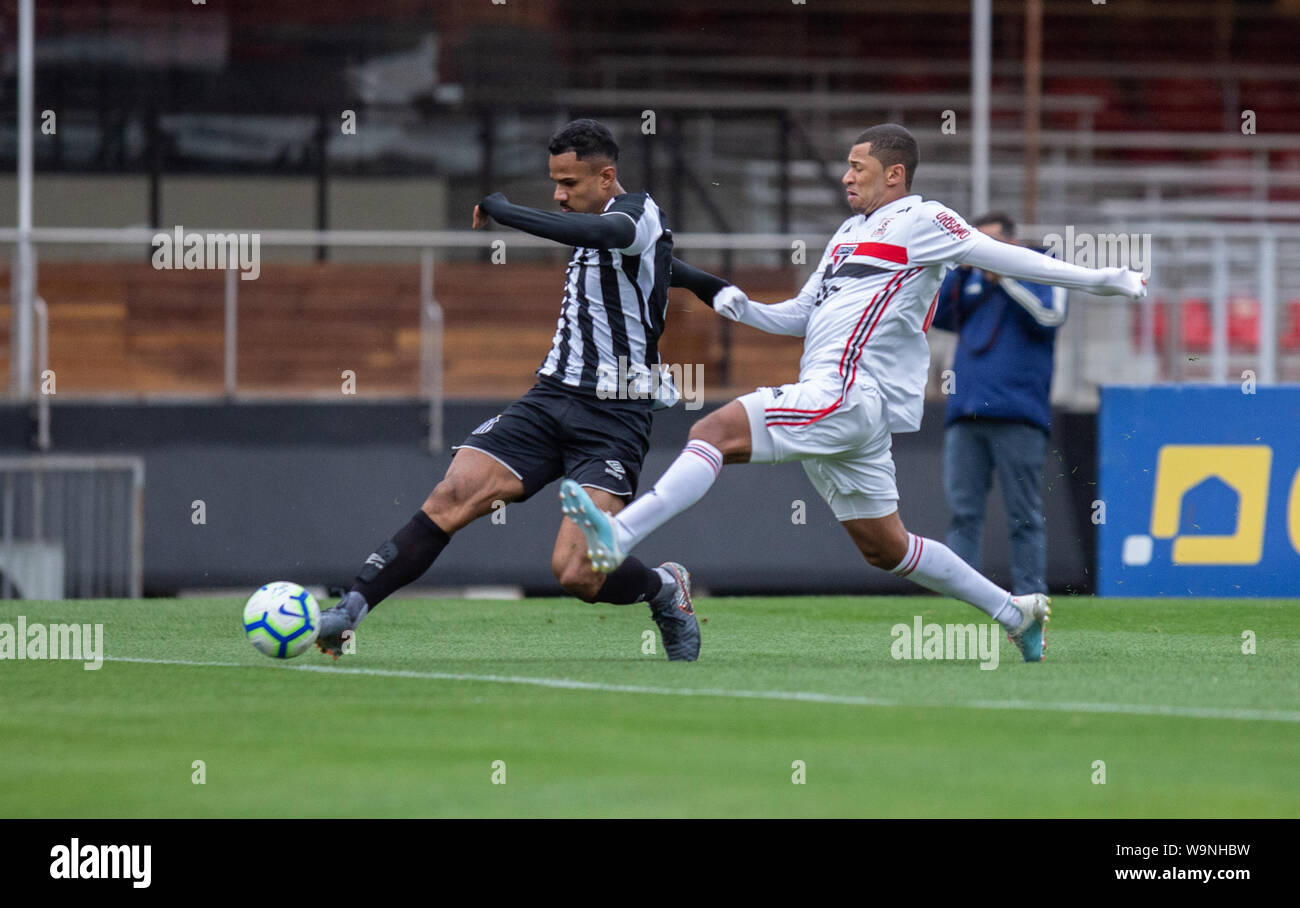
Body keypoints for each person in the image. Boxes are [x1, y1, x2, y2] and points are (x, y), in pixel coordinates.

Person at [557, 123, 1146, 662]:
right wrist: (734, 302)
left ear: (894, 174)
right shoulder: (846, 234)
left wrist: (1102, 279)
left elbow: (1009, 258)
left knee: (713, 431)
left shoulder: (925, 220)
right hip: (845, 403)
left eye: (857, 167)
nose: (845, 176)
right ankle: (1014, 612)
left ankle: (622, 533)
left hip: (849, 391)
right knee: (886, 547)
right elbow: (800, 316)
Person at [316, 118, 733, 662]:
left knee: (577, 572)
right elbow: (654, 263)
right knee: (451, 496)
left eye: (570, 184)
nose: (559, 195)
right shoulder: (608, 226)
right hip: (550, 397)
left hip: (614, 416)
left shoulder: (635, 214)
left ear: (607, 177)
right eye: (554, 182)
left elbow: (609, 238)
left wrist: (505, 212)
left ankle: (663, 589)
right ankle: (351, 609)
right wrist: (707, 284)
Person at [930, 213, 1065, 597]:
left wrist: (1004, 276)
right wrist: (958, 268)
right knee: (963, 514)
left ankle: (1030, 595)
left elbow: (1050, 315)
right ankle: (961, 595)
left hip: (1019, 415)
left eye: (990, 244)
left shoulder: (1042, 268)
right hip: (965, 414)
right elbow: (935, 315)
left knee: (1024, 514)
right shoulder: (969, 281)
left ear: (1012, 242)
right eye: (976, 244)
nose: (983, 252)